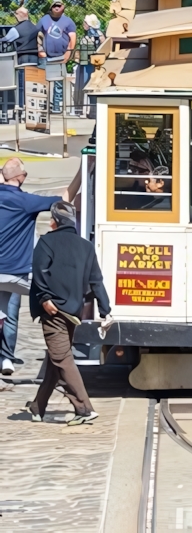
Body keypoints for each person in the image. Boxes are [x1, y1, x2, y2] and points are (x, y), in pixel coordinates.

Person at [28, 201, 109, 425]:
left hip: (53, 312)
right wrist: (105, 309)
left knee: (62, 358)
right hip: (73, 312)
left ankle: (84, 408)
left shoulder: (46, 242)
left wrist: (44, 298)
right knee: (57, 358)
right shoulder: (86, 246)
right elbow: (96, 281)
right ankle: (38, 406)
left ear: (54, 222)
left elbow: (39, 272)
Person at [0, 159, 76, 378]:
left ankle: (6, 356)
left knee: (3, 311)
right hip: (16, 273)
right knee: (54, 297)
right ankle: (61, 354)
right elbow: (63, 200)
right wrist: (82, 171)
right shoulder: (25, 201)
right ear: (22, 177)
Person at [37, 0, 76, 116]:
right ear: (51, 8)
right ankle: (42, 105)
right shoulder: (43, 20)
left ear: (63, 7)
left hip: (61, 56)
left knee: (58, 83)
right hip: (45, 56)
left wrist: (69, 52)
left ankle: (57, 106)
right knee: (43, 82)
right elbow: (36, 35)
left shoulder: (68, 21)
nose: (57, 7)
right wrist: (40, 50)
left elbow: (72, 37)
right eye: (54, 6)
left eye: (59, 5)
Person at [74, 14, 103, 118]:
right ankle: (85, 110)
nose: (83, 25)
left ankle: (90, 110)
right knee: (86, 87)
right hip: (85, 63)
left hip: (89, 64)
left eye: (85, 23)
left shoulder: (96, 34)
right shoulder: (94, 34)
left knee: (88, 87)